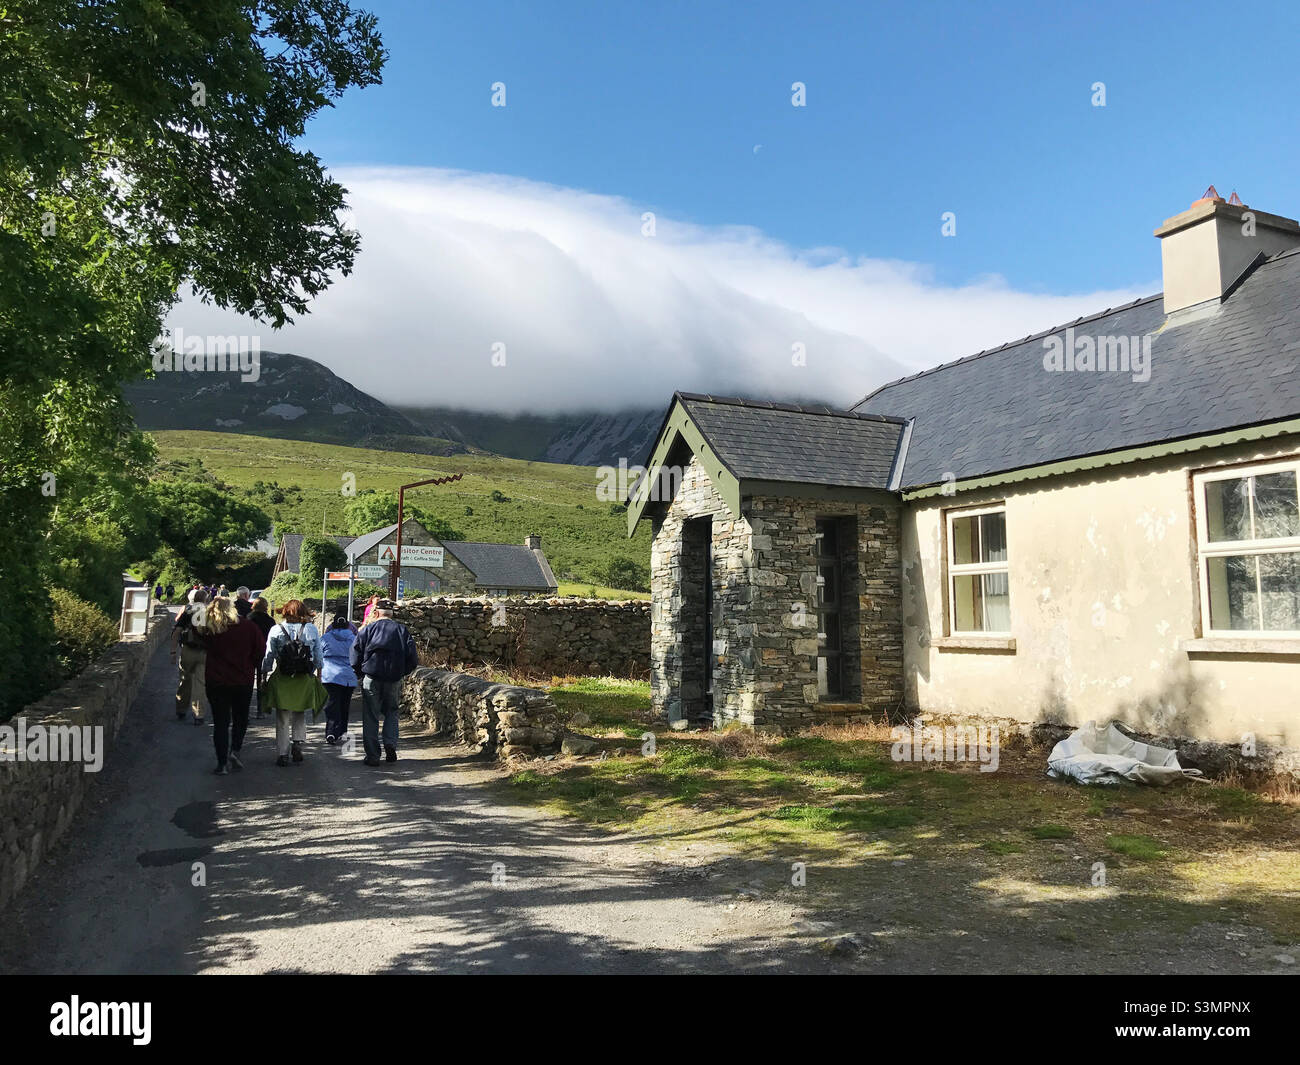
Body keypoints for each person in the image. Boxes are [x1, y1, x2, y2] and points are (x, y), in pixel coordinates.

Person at [198, 597, 265, 775]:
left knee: (220, 722)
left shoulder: (210, 628)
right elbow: (260, 650)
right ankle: (235, 750)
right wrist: (250, 664)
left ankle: (221, 764)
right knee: (240, 718)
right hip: (243, 680)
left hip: (216, 680)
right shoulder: (248, 626)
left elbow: (196, 637)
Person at [349, 600, 418, 766]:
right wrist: (401, 672)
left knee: (371, 715)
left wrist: (360, 672)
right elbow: (412, 658)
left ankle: (373, 755)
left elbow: (354, 654)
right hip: (393, 679)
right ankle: (390, 743)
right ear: (392, 614)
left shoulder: (368, 630)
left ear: (377, 613)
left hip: (371, 677)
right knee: (392, 712)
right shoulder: (402, 631)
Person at [260, 599, 326, 767]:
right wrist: (318, 674)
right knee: (300, 712)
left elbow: (269, 655)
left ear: (285, 612)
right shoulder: (311, 629)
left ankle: (283, 753)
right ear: (303, 612)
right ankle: (297, 744)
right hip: (304, 677)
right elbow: (318, 654)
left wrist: (264, 675)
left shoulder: (276, 630)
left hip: (283, 676)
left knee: (282, 716)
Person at [170, 588, 210, 725]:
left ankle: (181, 709)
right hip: (205, 652)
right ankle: (198, 715)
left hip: (188, 649)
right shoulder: (210, 612)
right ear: (206, 599)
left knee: (185, 680)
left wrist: (173, 652)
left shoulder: (188, 611)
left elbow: (176, 631)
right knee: (201, 683)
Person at [320, 614, 358, 744]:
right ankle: (342, 731)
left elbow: (318, 656)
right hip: (348, 676)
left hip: (330, 675)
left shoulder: (325, 638)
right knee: (345, 704)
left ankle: (331, 732)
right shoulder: (354, 639)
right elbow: (358, 656)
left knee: (332, 703)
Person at [247, 597, 275, 717]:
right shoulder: (269, 620)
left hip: (249, 653)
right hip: (263, 652)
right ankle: (260, 709)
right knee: (261, 681)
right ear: (265, 607)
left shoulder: (248, 618)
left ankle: (246, 710)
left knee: (248, 681)